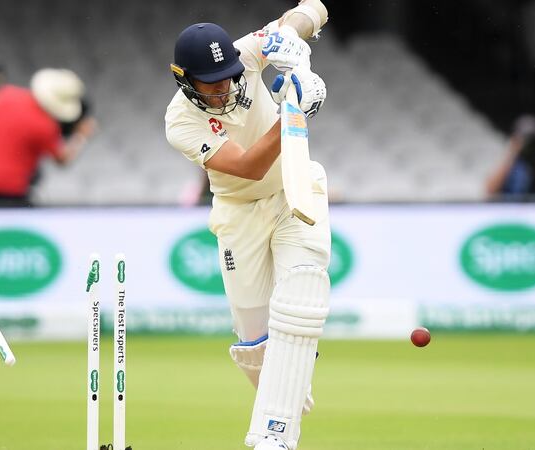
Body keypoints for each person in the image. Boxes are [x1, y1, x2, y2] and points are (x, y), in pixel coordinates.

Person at [164, 2, 329, 449]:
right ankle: (286, 387)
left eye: (229, 79)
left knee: (302, 292)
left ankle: (275, 439)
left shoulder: (247, 54)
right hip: (239, 210)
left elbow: (313, 8)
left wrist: (292, 41)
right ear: (186, 81)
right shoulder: (180, 121)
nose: (224, 89)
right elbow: (249, 167)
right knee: (255, 343)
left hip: (296, 191)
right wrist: (295, 109)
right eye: (210, 85)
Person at [0, 68, 97, 207]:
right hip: (11, 194)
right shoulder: (45, 126)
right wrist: (81, 136)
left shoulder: (6, 95)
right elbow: (62, 159)